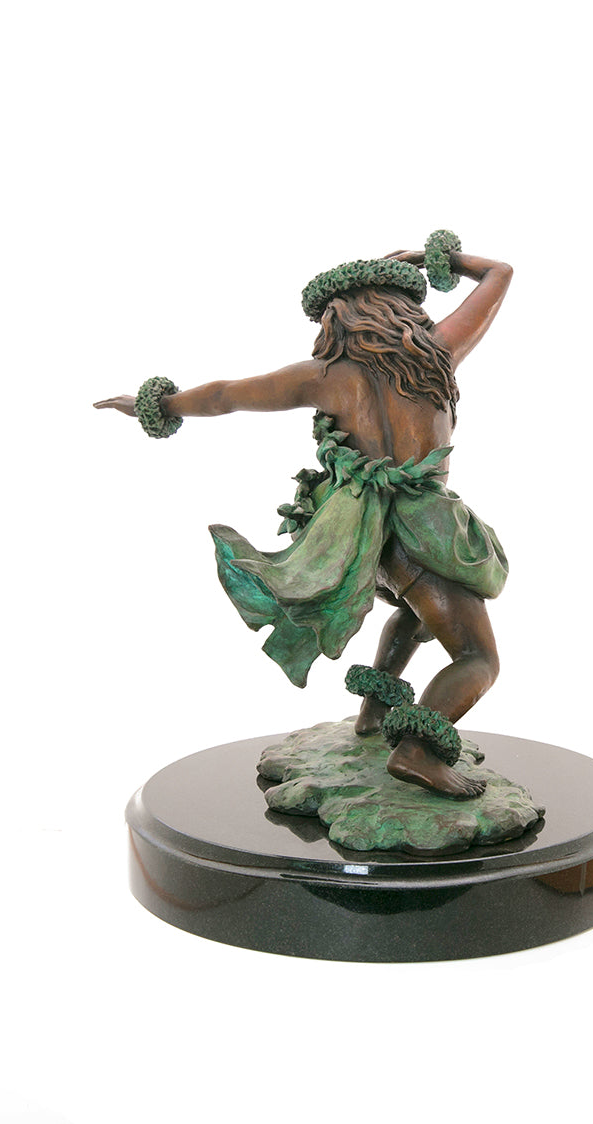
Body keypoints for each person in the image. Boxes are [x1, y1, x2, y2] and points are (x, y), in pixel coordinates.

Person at [95, 245, 512, 798]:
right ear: (402, 309)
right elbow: (499, 273)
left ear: (336, 319)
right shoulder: (436, 352)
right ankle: (417, 752)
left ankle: (373, 711)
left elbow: (224, 397)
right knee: (477, 658)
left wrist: (159, 405)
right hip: (423, 531)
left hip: (364, 537)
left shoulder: (324, 377)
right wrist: (435, 257)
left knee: (414, 615)